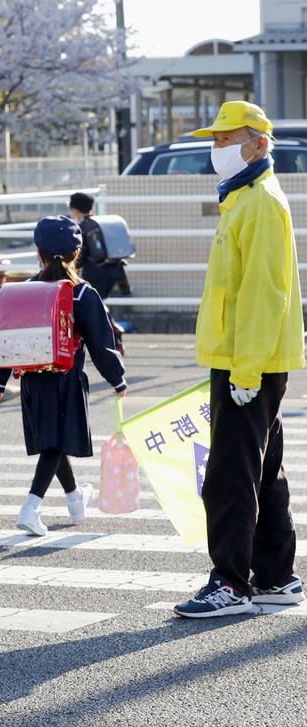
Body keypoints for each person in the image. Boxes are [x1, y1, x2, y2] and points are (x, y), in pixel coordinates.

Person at [174, 101, 305, 618]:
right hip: (248, 359)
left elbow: (262, 295)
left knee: (230, 472)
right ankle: (275, 575)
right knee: (262, 467)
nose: (218, 147)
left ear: (259, 144)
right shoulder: (244, 199)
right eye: (217, 138)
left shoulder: (260, 203)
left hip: (248, 362)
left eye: (228, 139)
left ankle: (229, 581)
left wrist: (246, 369)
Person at [0, 216, 127, 536]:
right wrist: (117, 379)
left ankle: (76, 500)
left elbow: (8, 338)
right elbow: (101, 344)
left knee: (54, 439)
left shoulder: (25, 291)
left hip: (33, 381)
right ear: (78, 252)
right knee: (55, 443)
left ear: (39, 252)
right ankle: (31, 506)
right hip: (66, 379)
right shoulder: (82, 293)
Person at [68, 192, 130, 299]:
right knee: (101, 303)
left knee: (94, 305)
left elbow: (81, 255)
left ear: (75, 210)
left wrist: (71, 269)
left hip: (95, 274)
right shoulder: (99, 224)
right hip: (116, 271)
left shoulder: (83, 227)